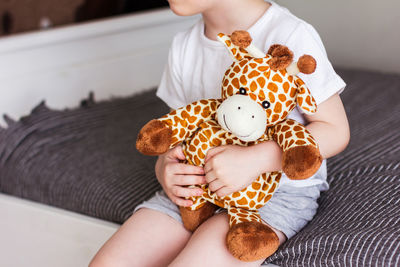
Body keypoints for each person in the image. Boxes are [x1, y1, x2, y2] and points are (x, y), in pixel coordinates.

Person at [90, 0, 350, 266]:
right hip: (199, 191)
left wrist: (259, 159)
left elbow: (335, 130)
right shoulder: (184, 45)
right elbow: (179, 131)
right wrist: (165, 169)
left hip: (272, 195)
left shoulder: (290, 35)